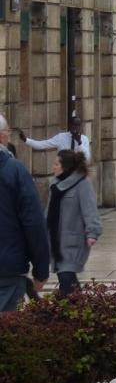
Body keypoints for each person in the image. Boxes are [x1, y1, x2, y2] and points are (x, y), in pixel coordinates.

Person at [0, 113, 49, 311]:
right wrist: (41, 269)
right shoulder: (15, 172)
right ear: (2, 136)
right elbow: (33, 222)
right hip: (7, 270)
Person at [46, 149, 101, 296]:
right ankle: (79, 307)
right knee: (68, 282)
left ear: (65, 167)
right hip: (56, 241)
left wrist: (92, 233)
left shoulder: (82, 184)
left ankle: (67, 307)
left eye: (56, 164)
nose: (53, 167)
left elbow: (90, 211)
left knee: (66, 278)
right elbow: (48, 213)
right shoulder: (55, 186)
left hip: (73, 242)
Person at [19, 114, 92, 163]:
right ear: (70, 125)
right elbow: (42, 145)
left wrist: (79, 143)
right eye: (74, 125)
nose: (76, 127)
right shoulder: (61, 137)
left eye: (78, 125)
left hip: (77, 172)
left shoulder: (84, 139)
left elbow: (87, 158)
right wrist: (26, 140)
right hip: (64, 171)